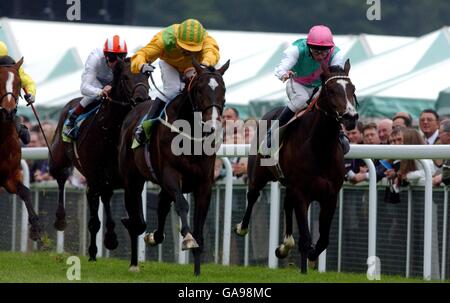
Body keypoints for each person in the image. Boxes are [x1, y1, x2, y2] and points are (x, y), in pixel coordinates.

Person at [131, 18, 220, 144]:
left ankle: (211, 125)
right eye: (185, 47)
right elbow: (142, 54)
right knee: (172, 90)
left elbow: (212, 53)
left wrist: (204, 65)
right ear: (177, 38)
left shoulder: (207, 40)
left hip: (193, 66)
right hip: (169, 64)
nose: (188, 51)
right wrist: (141, 65)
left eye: (192, 49)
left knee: (206, 88)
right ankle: (145, 126)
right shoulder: (164, 38)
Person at [263, 24, 349, 154]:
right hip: (298, 84)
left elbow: (335, 78)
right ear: (309, 48)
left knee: (333, 102)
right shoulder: (296, 49)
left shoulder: (336, 54)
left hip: (320, 86)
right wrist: (284, 74)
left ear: (330, 49)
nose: (320, 56)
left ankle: (340, 133)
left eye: (324, 52)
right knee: (301, 99)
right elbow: (281, 68)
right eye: (316, 52)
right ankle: (273, 131)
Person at [63, 35, 128, 139]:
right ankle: (72, 119)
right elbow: (84, 88)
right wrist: (100, 91)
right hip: (96, 80)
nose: (116, 62)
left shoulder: (127, 60)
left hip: (113, 81)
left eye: (120, 58)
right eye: (112, 58)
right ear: (106, 56)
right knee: (94, 95)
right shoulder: (95, 58)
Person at [0, 41, 36, 144]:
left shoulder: (14, 68)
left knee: (25, 138)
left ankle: (18, 125)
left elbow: (29, 82)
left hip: (8, 111)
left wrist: (31, 94)